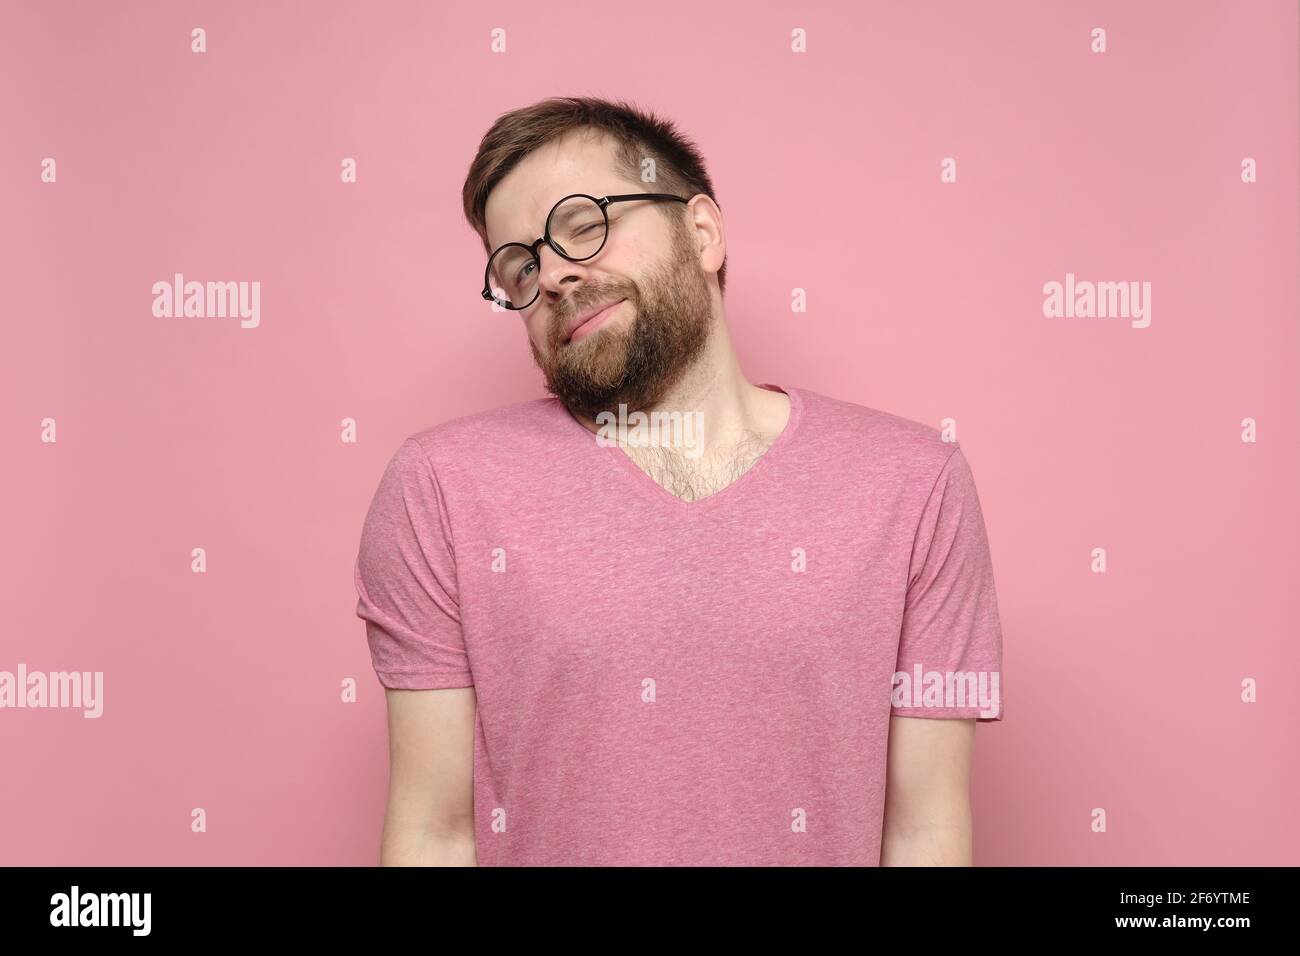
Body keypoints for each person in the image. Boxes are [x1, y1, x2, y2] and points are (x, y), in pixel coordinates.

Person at [354, 95, 1004, 866]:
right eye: (521, 266)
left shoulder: (917, 484)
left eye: (584, 225)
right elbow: (435, 833)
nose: (555, 275)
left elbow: (924, 833)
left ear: (702, 232)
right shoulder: (440, 490)